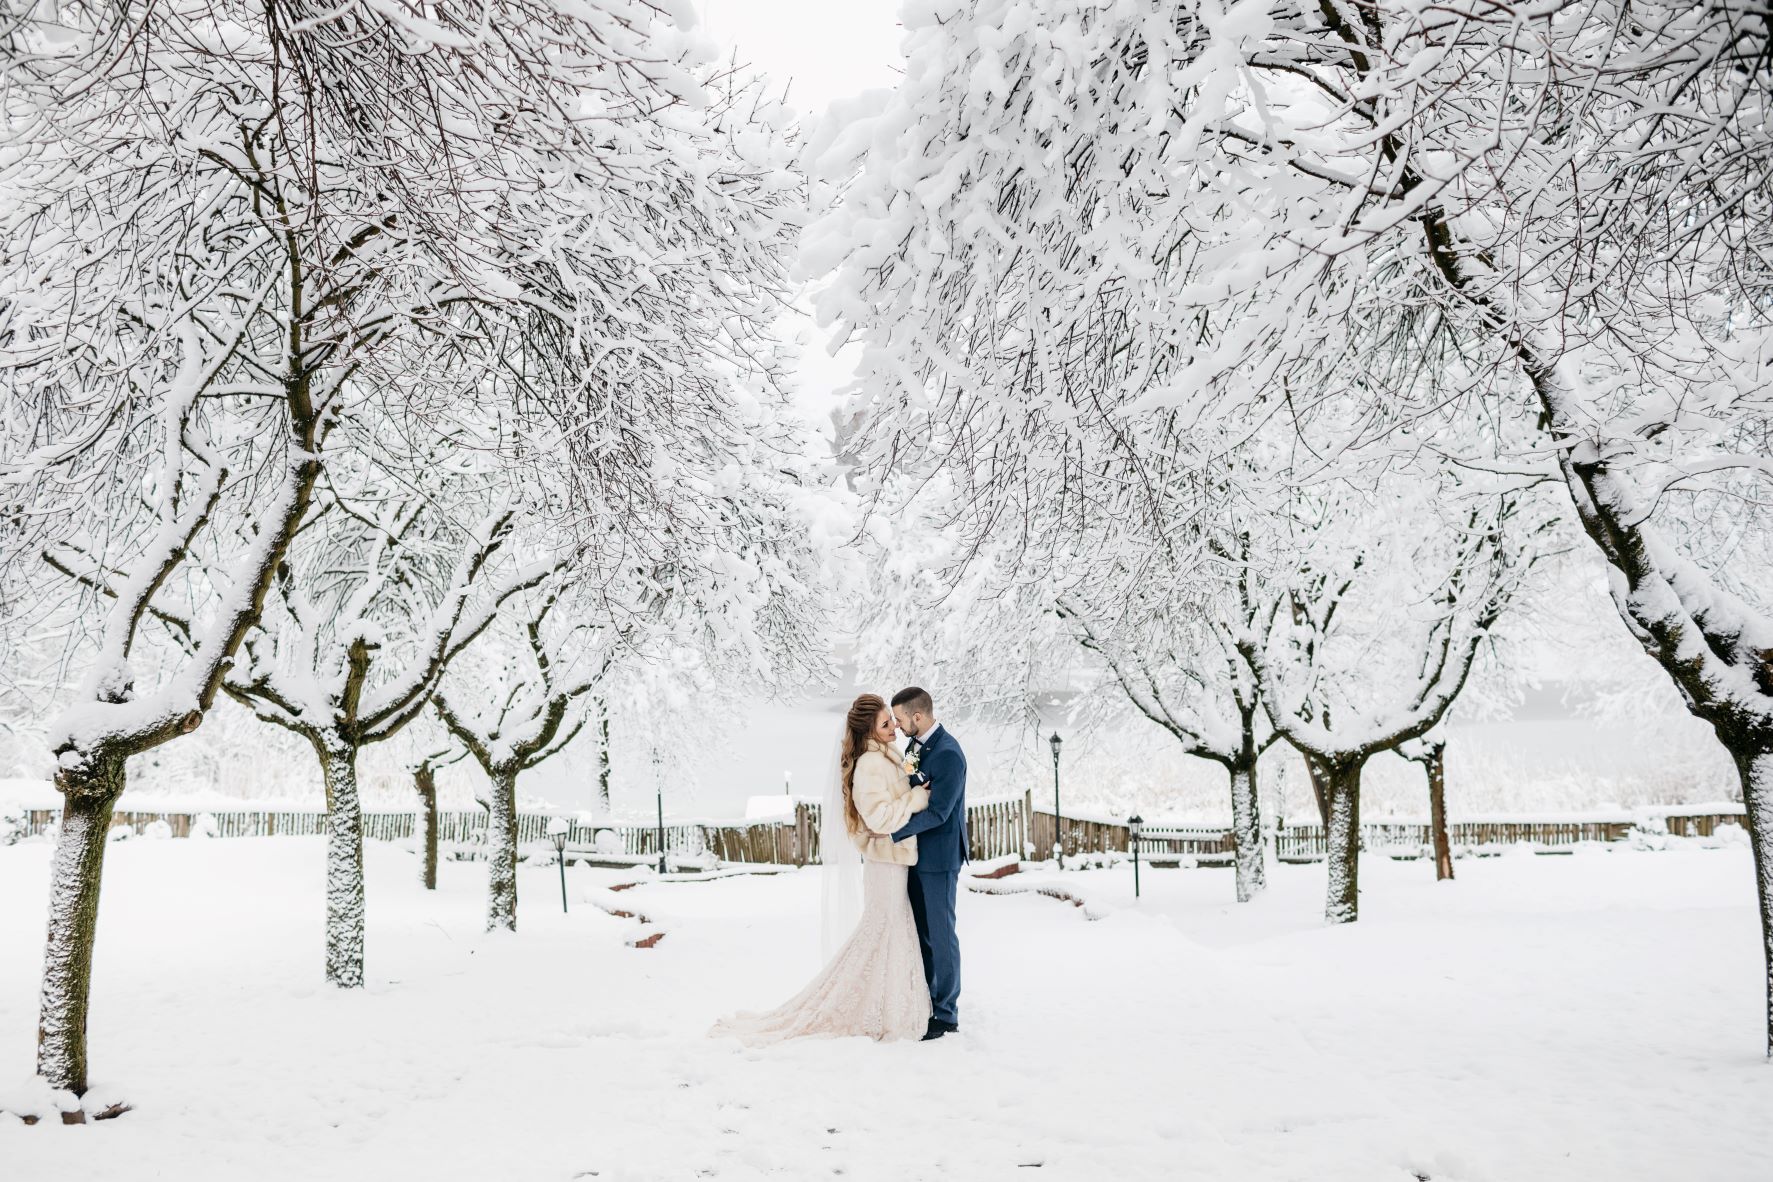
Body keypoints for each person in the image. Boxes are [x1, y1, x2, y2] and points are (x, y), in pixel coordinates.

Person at [711, 694, 933, 1044]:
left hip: (892, 862)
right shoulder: (870, 766)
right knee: (882, 933)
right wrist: (916, 799)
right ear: (869, 733)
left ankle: (887, 1003)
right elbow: (879, 817)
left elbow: (895, 794)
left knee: (889, 934)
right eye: (885, 724)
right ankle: (868, 1006)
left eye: (892, 720)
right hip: (885, 865)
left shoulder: (886, 757)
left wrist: (912, 779)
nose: (893, 728)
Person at [886, 686, 968, 1041]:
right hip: (918, 856)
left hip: (940, 858)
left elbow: (939, 811)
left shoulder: (949, 754)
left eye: (902, 720)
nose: (899, 726)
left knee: (941, 935)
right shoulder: (916, 746)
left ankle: (947, 1013)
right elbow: (913, 783)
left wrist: (893, 831)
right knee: (922, 933)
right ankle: (927, 999)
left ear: (917, 716)